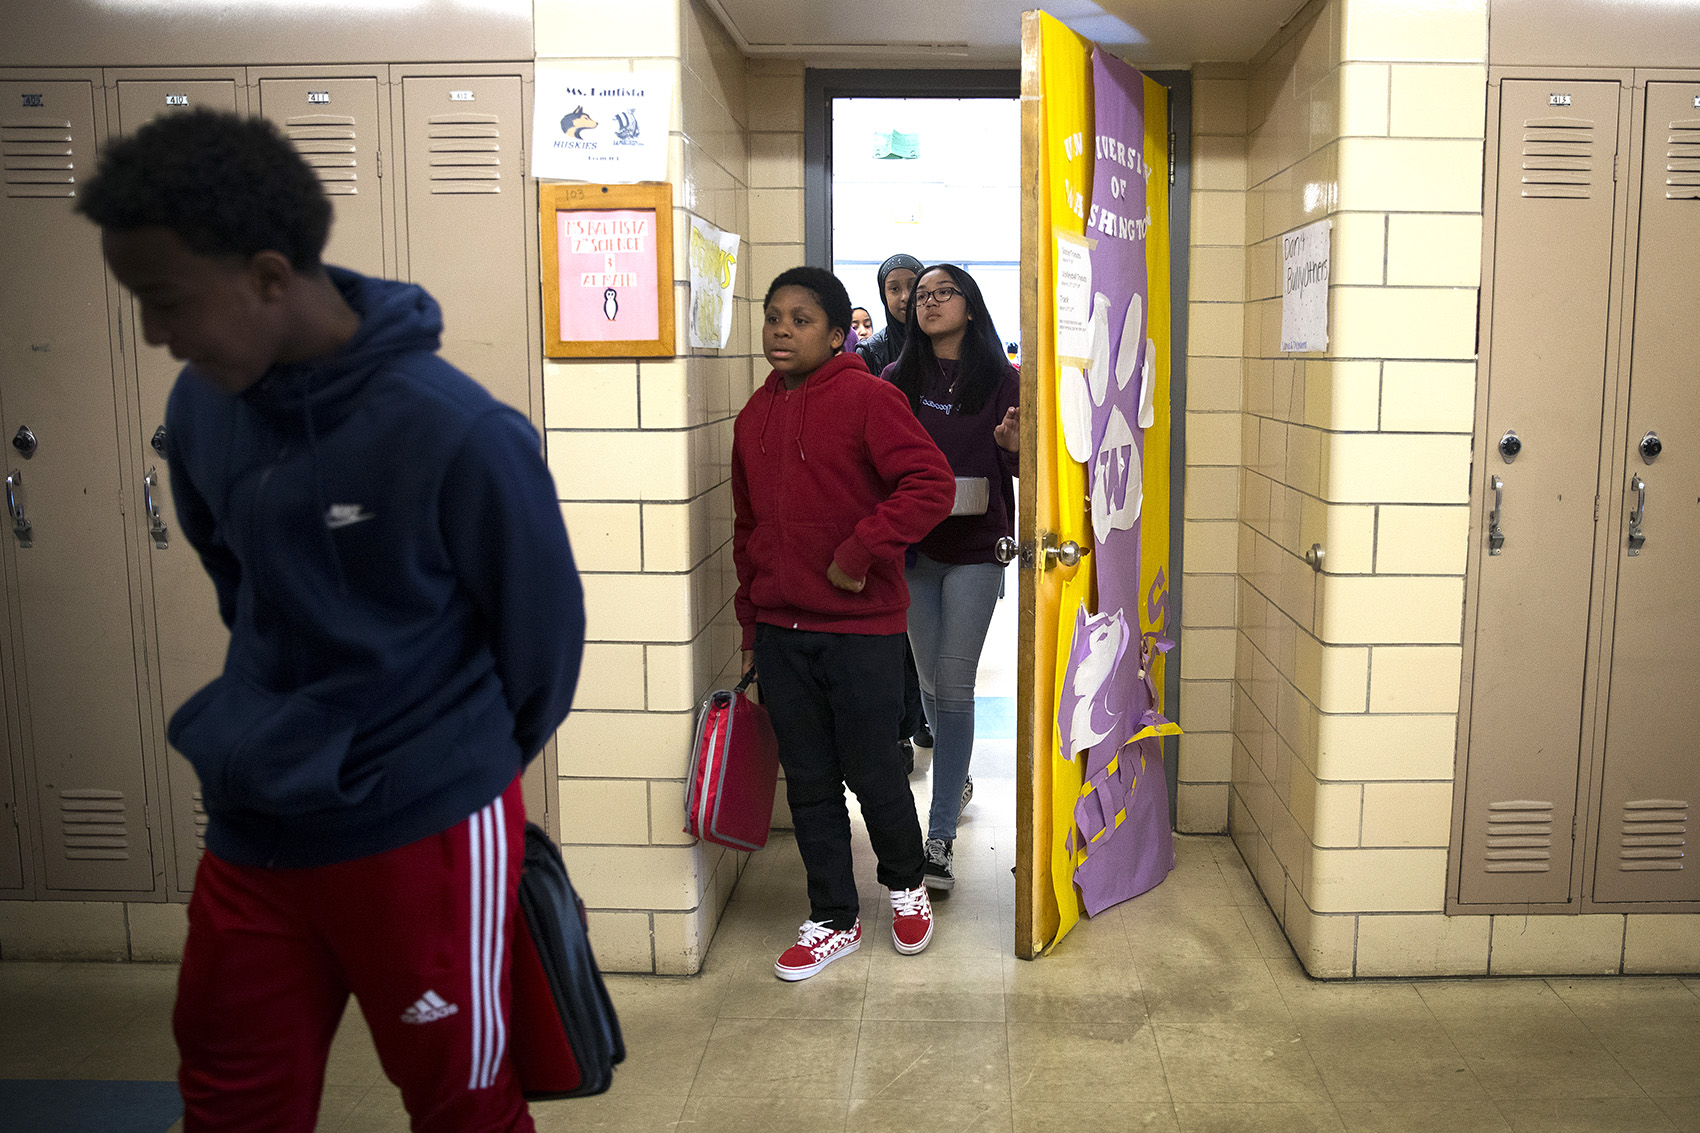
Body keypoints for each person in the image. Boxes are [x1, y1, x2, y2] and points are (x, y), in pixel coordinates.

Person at [78, 109, 585, 1132]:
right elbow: (242, 581)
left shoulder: (459, 433)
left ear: (269, 276)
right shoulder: (203, 409)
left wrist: (441, 761)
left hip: (421, 829)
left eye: (166, 300)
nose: (154, 333)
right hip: (255, 826)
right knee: (229, 1100)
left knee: (462, 1100)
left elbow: (540, 650)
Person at [732, 266, 954, 981]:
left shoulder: (869, 398)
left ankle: (906, 883)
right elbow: (746, 530)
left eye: (800, 319)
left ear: (837, 333)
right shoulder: (751, 416)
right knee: (810, 782)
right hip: (781, 630)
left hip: (862, 629)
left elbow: (931, 484)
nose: (782, 331)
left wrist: (859, 550)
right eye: (773, 317)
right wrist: (751, 629)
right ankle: (834, 915)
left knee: (874, 770)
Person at [882, 264, 1020, 891]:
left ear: (970, 305)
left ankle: (937, 839)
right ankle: (956, 773)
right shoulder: (895, 380)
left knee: (955, 683)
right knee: (933, 678)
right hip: (914, 548)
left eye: (944, 293)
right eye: (923, 296)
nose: (929, 303)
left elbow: (1024, 468)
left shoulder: (1002, 378)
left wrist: (1015, 447)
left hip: (975, 546)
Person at [854, 252, 921, 379]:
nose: (905, 297)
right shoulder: (869, 352)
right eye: (894, 289)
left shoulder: (940, 342)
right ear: (884, 296)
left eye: (912, 286)